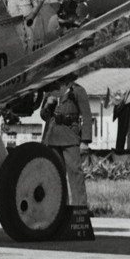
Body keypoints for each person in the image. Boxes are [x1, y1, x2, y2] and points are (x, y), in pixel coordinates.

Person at [40, 79, 94, 214]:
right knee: (55, 175)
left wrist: (85, 141)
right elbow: (43, 115)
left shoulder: (77, 90)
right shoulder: (51, 90)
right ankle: (58, 210)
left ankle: (79, 209)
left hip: (71, 136)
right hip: (52, 137)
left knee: (75, 173)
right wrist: (47, 104)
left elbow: (87, 116)